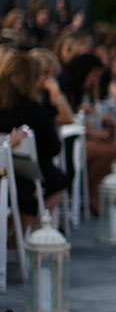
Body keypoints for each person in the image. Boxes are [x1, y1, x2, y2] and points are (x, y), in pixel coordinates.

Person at [0, 53, 68, 228]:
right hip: (26, 174)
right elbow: (54, 147)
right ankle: (32, 230)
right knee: (59, 180)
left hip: (5, 171)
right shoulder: (34, 109)